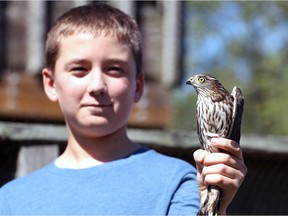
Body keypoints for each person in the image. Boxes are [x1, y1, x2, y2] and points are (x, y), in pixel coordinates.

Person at [0, 3, 247, 215]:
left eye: (114, 69)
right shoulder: (10, 201)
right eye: (79, 69)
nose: (97, 86)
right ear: (51, 84)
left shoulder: (179, 183)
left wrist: (214, 206)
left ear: (138, 86)